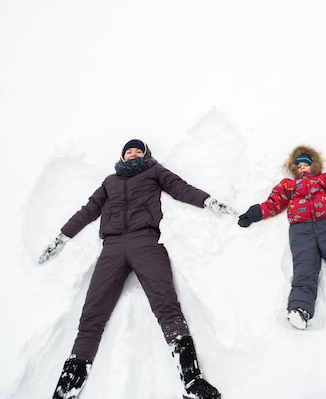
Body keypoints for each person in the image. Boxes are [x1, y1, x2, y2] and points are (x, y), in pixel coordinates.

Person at [39, 139, 233, 399]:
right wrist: (62, 237)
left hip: (146, 242)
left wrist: (207, 201)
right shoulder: (110, 181)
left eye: (137, 150)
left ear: (145, 154)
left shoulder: (154, 171)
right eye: (128, 151)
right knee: (92, 315)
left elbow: (179, 188)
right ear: (122, 156)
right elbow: (88, 211)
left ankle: (192, 381)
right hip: (112, 247)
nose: (132, 153)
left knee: (167, 308)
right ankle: (67, 387)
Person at [237, 145, 326, 329]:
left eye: (305, 164)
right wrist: (252, 214)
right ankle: (300, 309)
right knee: (304, 267)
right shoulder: (288, 185)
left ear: (313, 165)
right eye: (298, 166)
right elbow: (273, 203)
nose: (301, 168)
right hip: (301, 230)